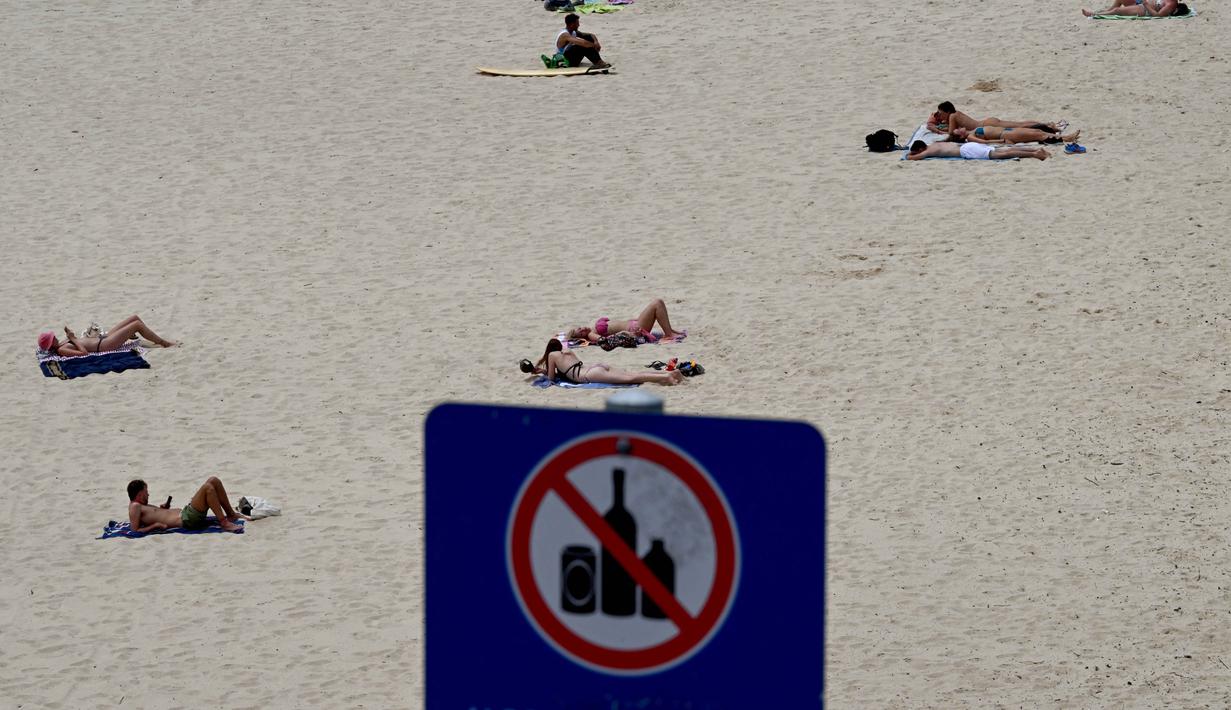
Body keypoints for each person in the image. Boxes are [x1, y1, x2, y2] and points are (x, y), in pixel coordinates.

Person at [530, 339, 683, 385]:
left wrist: (541, 373)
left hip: (590, 374)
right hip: (595, 366)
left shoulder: (552, 356)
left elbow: (551, 378)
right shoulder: (567, 351)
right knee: (632, 374)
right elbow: (563, 370)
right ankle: (668, 372)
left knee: (632, 379)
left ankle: (666, 377)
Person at [127, 477, 249, 534]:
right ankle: (224, 523)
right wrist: (155, 525)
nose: (148, 494)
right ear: (139, 494)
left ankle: (231, 515)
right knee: (208, 487)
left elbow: (155, 515)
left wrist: (162, 509)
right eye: (145, 492)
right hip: (186, 519)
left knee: (213, 481)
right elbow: (135, 530)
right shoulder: (134, 507)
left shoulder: (142, 505)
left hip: (186, 513)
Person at [38, 315, 177, 356]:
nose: (55, 337)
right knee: (137, 325)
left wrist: (72, 336)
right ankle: (164, 343)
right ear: (51, 344)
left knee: (134, 318)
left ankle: (137, 336)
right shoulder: (61, 350)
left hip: (102, 338)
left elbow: (81, 342)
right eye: (53, 338)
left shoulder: (61, 344)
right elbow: (83, 353)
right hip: (104, 345)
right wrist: (73, 339)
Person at [566, 298, 681, 343]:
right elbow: (606, 340)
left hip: (634, 323)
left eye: (579, 328)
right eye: (580, 332)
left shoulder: (591, 328)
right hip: (635, 329)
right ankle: (669, 334)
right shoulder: (591, 334)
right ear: (581, 337)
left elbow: (617, 323)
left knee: (657, 306)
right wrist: (627, 334)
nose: (582, 329)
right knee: (657, 303)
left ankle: (669, 330)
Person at [927, 101, 1057, 136]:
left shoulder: (952, 117)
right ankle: (1046, 123)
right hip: (988, 121)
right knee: (1019, 124)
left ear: (947, 111)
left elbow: (950, 133)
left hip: (987, 126)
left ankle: (1047, 126)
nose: (940, 115)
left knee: (1020, 126)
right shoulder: (956, 113)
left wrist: (937, 130)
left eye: (941, 113)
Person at [907, 140, 1050, 161]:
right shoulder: (935, 143)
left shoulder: (929, 151)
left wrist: (910, 155)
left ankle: (1034, 154)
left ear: (920, 149)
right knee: (1006, 148)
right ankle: (1036, 149)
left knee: (1002, 154)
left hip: (967, 152)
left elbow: (911, 158)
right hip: (969, 145)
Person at [951, 125, 1080, 145]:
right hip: (1005, 135)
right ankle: (1067, 138)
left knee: (1037, 132)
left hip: (1007, 130)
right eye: (958, 131)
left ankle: (1066, 137)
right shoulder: (969, 137)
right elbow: (984, 142)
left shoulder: (972, 130)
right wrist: (1001, 142)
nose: (959, 128)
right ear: (962, 137)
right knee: (1037, 135)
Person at [1083, 0, 1185, 16]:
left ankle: (1094, 15)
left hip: (1145, 10)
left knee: (1117, 11)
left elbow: (1157, 15)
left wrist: (1146, 4)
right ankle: (1105, 12)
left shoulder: (1171, 4)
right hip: (1142, 4)